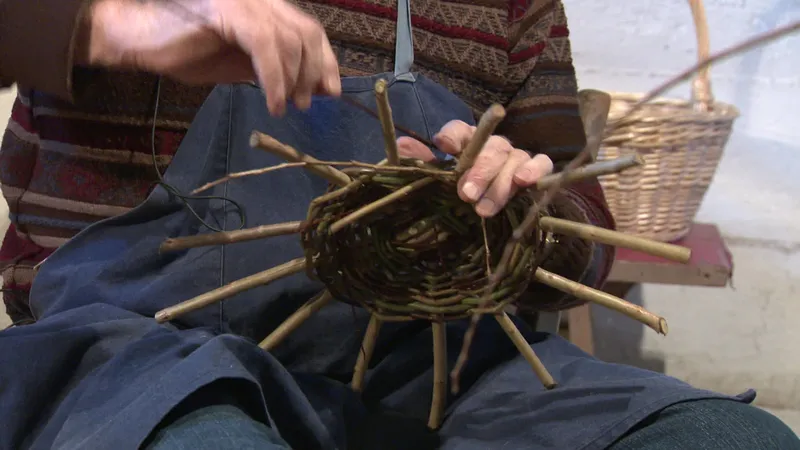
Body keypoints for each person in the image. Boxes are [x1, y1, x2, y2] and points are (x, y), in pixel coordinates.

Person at [0, 0, 797, 449]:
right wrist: (113, 23)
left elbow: (584, 227)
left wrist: (521, 208)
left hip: (444, 368)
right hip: (137, 350)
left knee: (729, 440)